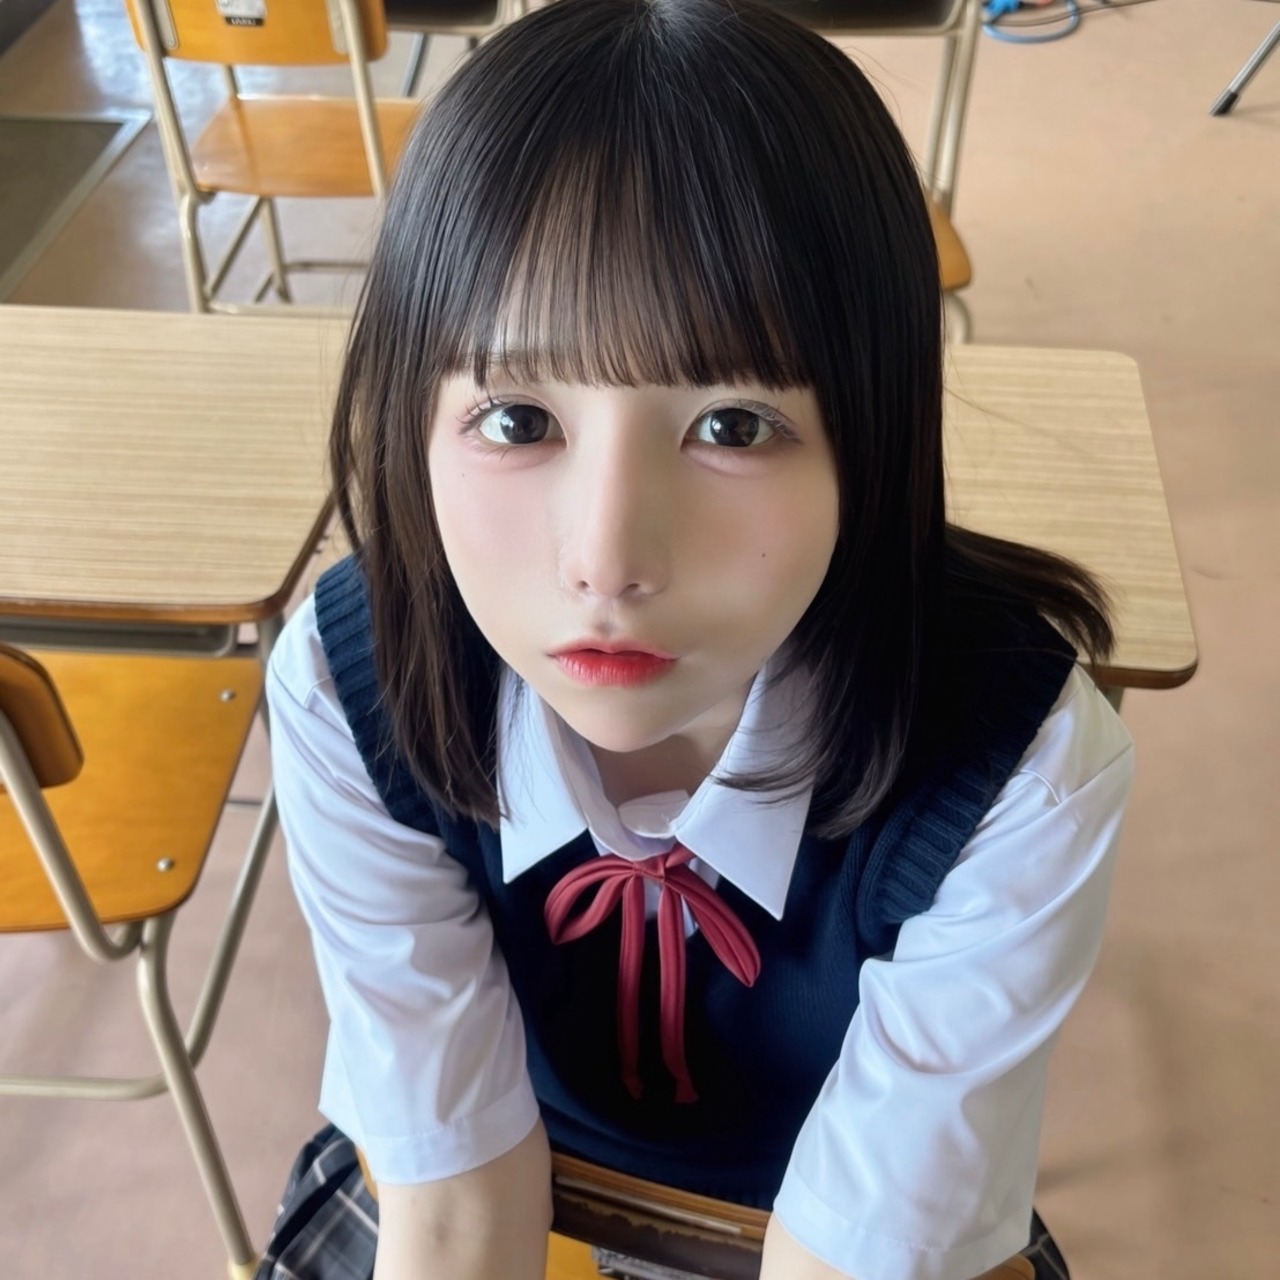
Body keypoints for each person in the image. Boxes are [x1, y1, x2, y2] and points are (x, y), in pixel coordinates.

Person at [262, 2, 1134, 1278]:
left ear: (874, 437)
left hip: (834, 1209)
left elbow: (854, 1249)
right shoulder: (357, 683)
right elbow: (452, 1206)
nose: (607, 560)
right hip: (501, 1163)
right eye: (516, 420)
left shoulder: (1017, 764)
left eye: (731, 424)